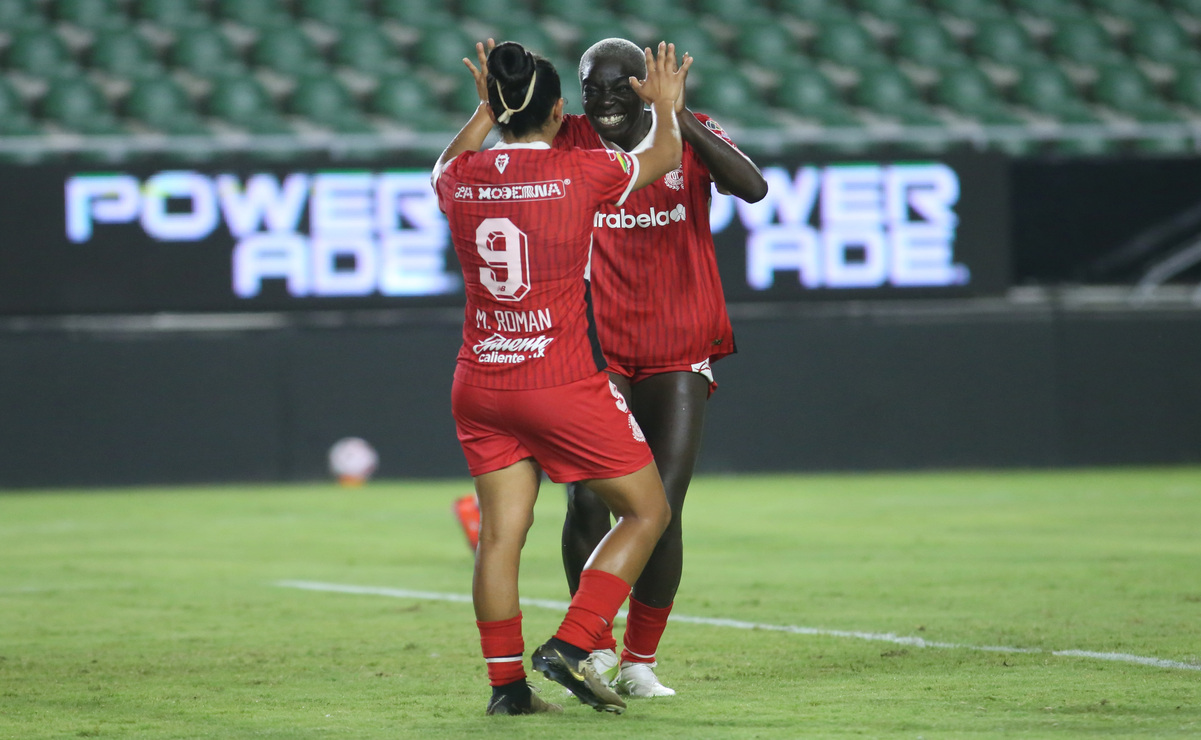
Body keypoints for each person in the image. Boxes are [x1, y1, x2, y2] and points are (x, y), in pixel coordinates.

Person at [433, 39, 691, 716]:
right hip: (558, 380)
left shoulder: (461, 179)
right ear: (557, 111)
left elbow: (444, 161)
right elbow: (664, 156)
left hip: (479, 380)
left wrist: (485, 111)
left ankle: (506, 689)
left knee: (498, 536)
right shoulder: (581, 171)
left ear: (497, 109)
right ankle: (575, 643)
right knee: (648, 510)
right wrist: (665, 105)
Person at [552, 38, 769, 698]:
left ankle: (639, 660)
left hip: (680, 347)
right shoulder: (572, 140)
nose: (604, 101)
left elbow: (752, 189)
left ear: (645, 86)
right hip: (600, 349)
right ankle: (591, 646)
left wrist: (677, 118)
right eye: (592, 89)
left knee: (660, 511)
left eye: (619, 86)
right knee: (588, 499)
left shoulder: (688, 133)